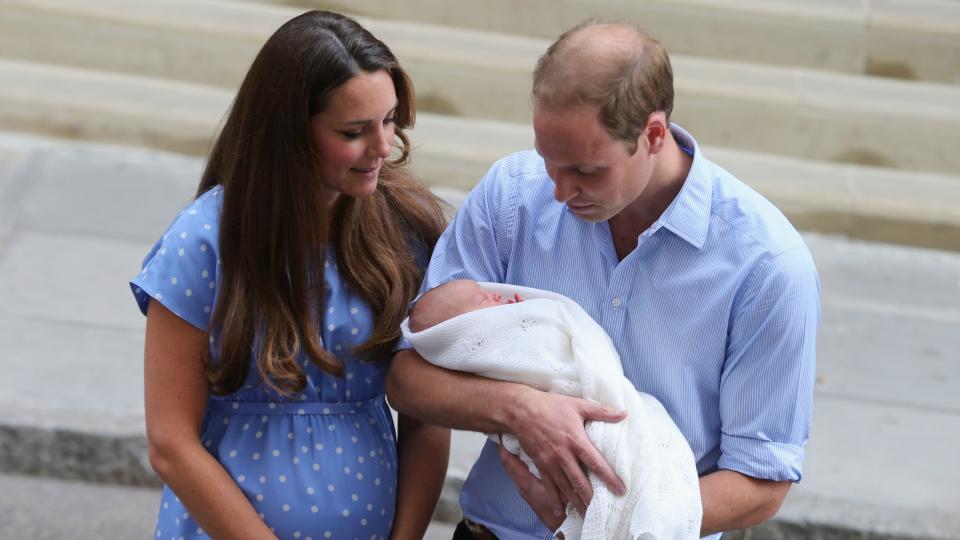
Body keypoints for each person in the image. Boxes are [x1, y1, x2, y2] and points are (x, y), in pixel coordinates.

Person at [386, 19, 820, 540]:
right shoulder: (510, 196)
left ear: (653, 135)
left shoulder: (766, 262)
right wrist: (521, 411)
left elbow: (762, 477)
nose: (559, 192)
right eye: (550, 162)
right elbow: (408, 376)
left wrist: (607, 519)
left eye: (586, 171)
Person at [130, 11, 450, 539]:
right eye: (354, 131)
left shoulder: (406, 232)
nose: (384, 147)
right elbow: (170, 444)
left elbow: (427, 418)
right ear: (289, 135)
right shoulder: (206, 242)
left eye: (391, 120)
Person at [403, 280, 702, 539]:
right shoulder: (481, 346)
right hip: (489, 531)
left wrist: (641, 512)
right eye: (482, 300)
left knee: (633, 453)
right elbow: (403, 377)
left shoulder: (745, 253)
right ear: (463, 333)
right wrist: (520, 407)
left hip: (618, 414)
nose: (495, 296)